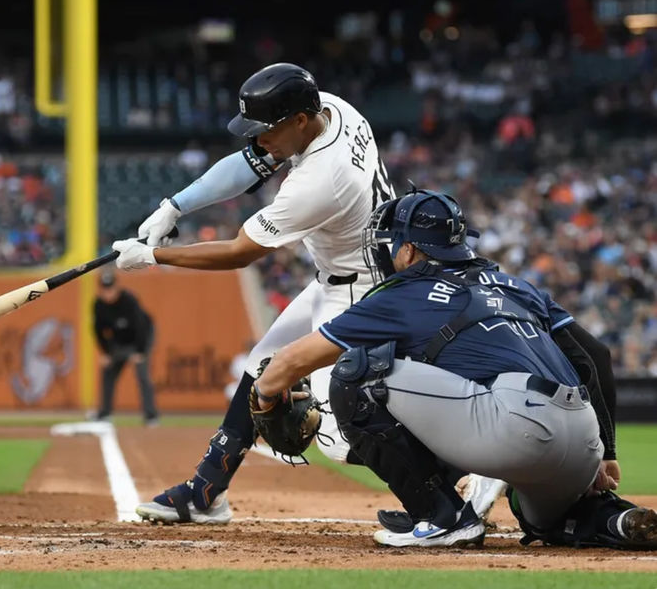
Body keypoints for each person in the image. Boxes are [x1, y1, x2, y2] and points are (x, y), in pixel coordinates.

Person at [252, 190, 656, 548]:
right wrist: (606, 452)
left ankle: (441, 516)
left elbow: (294, 360)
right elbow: (595, 358)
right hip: (582, 437)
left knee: (357, 374)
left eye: (392, 244)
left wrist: (265, 394)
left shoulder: (404, 290)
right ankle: (613, 518)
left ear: (409, 249)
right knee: (546, 522)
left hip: (517, 428)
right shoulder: (516, 285)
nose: (389, 253)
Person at [115, 62, 397, 524]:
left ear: (299, 121)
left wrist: (155, 258)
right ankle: (205, 493)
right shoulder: (330, 109)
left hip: (362, 291)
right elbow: (249, 164)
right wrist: (174, 206)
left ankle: (459, 473)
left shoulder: (321, 179)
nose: (259, 139)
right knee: (259, 369)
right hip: (341, 275)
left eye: (267, 129)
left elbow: (240, 252)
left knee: (338, 438)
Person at [93, 270, 159, 425]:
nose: (108, 293)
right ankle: (104, 413)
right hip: (119, 341)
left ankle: (151, 415)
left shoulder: (129, 300)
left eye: (110, 288)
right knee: (108, 372)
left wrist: (140, 351)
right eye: (105, 289)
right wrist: (106, 353)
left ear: (117, 286)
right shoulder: (98, 304)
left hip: (140, 339)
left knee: (143, 375)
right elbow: (98, 330)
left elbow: (141, 326)